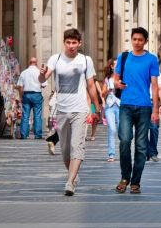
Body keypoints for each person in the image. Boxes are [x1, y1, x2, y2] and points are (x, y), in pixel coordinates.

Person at [39, 28, 100, 196]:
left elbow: (90, 85)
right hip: (61, 110)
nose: (71, 46)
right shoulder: (55, 59)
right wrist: (42, 74)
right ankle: (74, 174)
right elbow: (43, 79)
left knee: (77, 145)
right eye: (68, 42)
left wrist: (96, 106)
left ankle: (70, 182)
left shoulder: (85, 60)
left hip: (80, 109)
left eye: (74, 42)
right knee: (65, 150)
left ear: (79, 43)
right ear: (64, 43)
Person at [112, 27, 160, 193]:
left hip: (145, 107)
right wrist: (117, 84)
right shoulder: (123, 57)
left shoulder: (152, 59)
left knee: (140, 146)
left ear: (145, 41)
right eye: (135, 39)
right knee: (124, 141)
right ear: (131, 40)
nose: (137, 42)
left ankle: (135, 181)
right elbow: (115, 80)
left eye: (140, 40)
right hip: (126, 105)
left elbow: (154, 86)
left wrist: (155, 109)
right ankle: (125, 176)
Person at [16, 56, 46, 140]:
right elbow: (43, 85)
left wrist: (21, 96)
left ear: (29, 63)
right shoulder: (39, 72)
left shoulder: (24, 72)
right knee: (37, 115)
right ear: (36, 63)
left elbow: (20, 86)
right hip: (37, 94)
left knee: (25, 115)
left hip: (26, 94)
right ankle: (38, 135)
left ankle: (24, 134)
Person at [146, 58, 161, 162]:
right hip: (141, 103)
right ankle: (146, 151)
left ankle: (153, 152)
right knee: (142, 129)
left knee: (154, 128)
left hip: (153, 103)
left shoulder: (156, 72)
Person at [101, 60, 119, 162]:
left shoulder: (123, 78)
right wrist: (108, 89)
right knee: (112, 129)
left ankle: (124, 151)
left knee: (122, 131)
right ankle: (111, 154)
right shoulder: (107, 79)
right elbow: (102, 94)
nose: (117, 66)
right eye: (115, 65)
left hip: (121, 105)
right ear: (111, 66)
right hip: (110, 106)